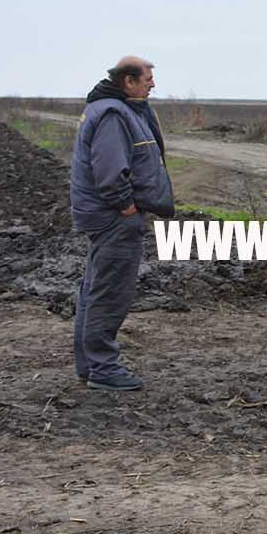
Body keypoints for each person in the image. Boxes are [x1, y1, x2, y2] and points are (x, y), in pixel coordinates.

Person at [68, 56, 174, 391]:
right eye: (146, 80)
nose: (152, 84)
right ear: (128, 81)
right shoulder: (113, 114)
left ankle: (90, 366)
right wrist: (125, 205)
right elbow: (110, 171)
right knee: (110, 293)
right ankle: (103, 369)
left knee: (96, 288)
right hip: (113, 217)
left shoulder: (116, 109)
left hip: (105, 215)